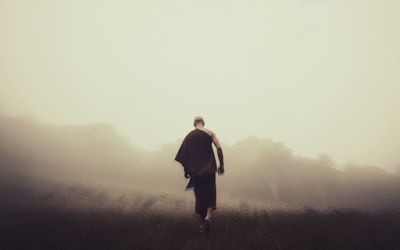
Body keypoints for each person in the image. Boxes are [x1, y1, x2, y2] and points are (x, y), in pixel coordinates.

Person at [175, 116, 224, 234]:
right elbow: (219, 148)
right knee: (210, 193)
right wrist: (221, 165)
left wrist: (186, 171)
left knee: (200, 195)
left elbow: (184, 156)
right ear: (203, 123)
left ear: (194, 124)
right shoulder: (210, 133)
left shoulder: (189, 136)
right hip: (209, 169)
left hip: (196, 171)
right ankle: (207, 218)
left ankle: (204, 223)